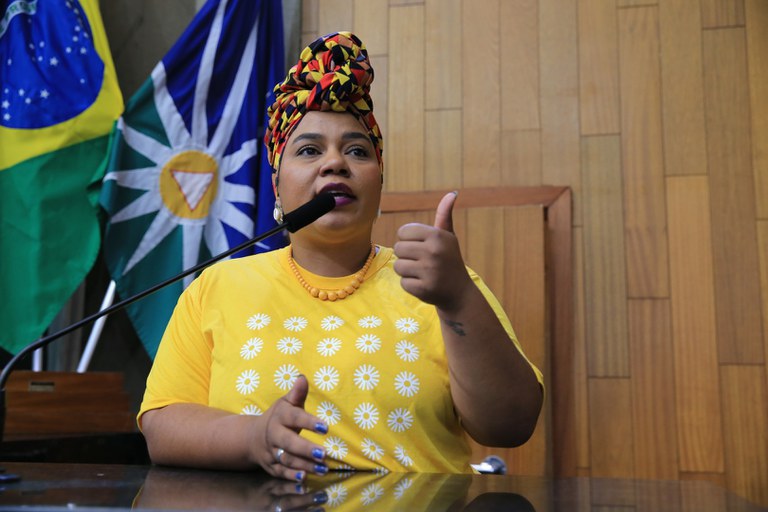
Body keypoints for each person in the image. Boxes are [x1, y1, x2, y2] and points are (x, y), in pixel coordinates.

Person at [138, 31, 543, 482]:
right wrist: (253, 436)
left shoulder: (444, 287)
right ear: (277, 188)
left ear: (378, 184)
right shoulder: (216, 288)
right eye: (309, 150)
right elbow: (162, 427)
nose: (335, 163)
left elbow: (511, 425)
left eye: (357, 151)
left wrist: (458, 300)